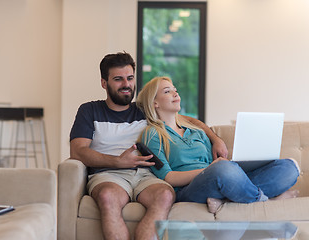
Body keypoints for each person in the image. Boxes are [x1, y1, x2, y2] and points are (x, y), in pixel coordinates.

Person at [69, 52, 228, 240]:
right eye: (118, 79)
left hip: (148, 174)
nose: (126, 85)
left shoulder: (145, 109)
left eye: (129, 78)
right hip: (109, 174)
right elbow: (78, 151)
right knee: (107, 197)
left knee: (165, 195)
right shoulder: (89, 110)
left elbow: (192, 122)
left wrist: (217, 140)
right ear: (104, 83)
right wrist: (118, 162)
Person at [136, 76, 300, 214]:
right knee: (223, 170)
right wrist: (212, 169)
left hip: (218, 178)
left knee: (289, 166)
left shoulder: (196, 131)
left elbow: (212, 163)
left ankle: (228, 198)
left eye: (174, 89)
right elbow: (168, 177)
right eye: (167, 91)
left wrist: (222, 166)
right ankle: (266, 201)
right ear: (155, 103)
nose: (175, 92)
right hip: (190, 189)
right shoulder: (152, 134)